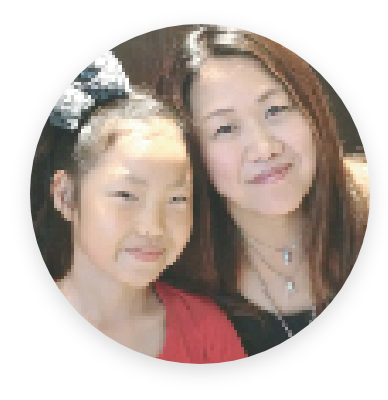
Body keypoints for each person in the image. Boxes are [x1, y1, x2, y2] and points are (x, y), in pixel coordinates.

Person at [155, 24, 370, 356]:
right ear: (191, 150)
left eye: (275, 110)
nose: (264, 148)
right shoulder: (174, 275)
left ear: (313, 111)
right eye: (225, 128)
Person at [30, 50, 247, 363]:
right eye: (126, 195)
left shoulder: (206, 330)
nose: (153, 228)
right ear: (65, 196)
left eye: (177, 199)